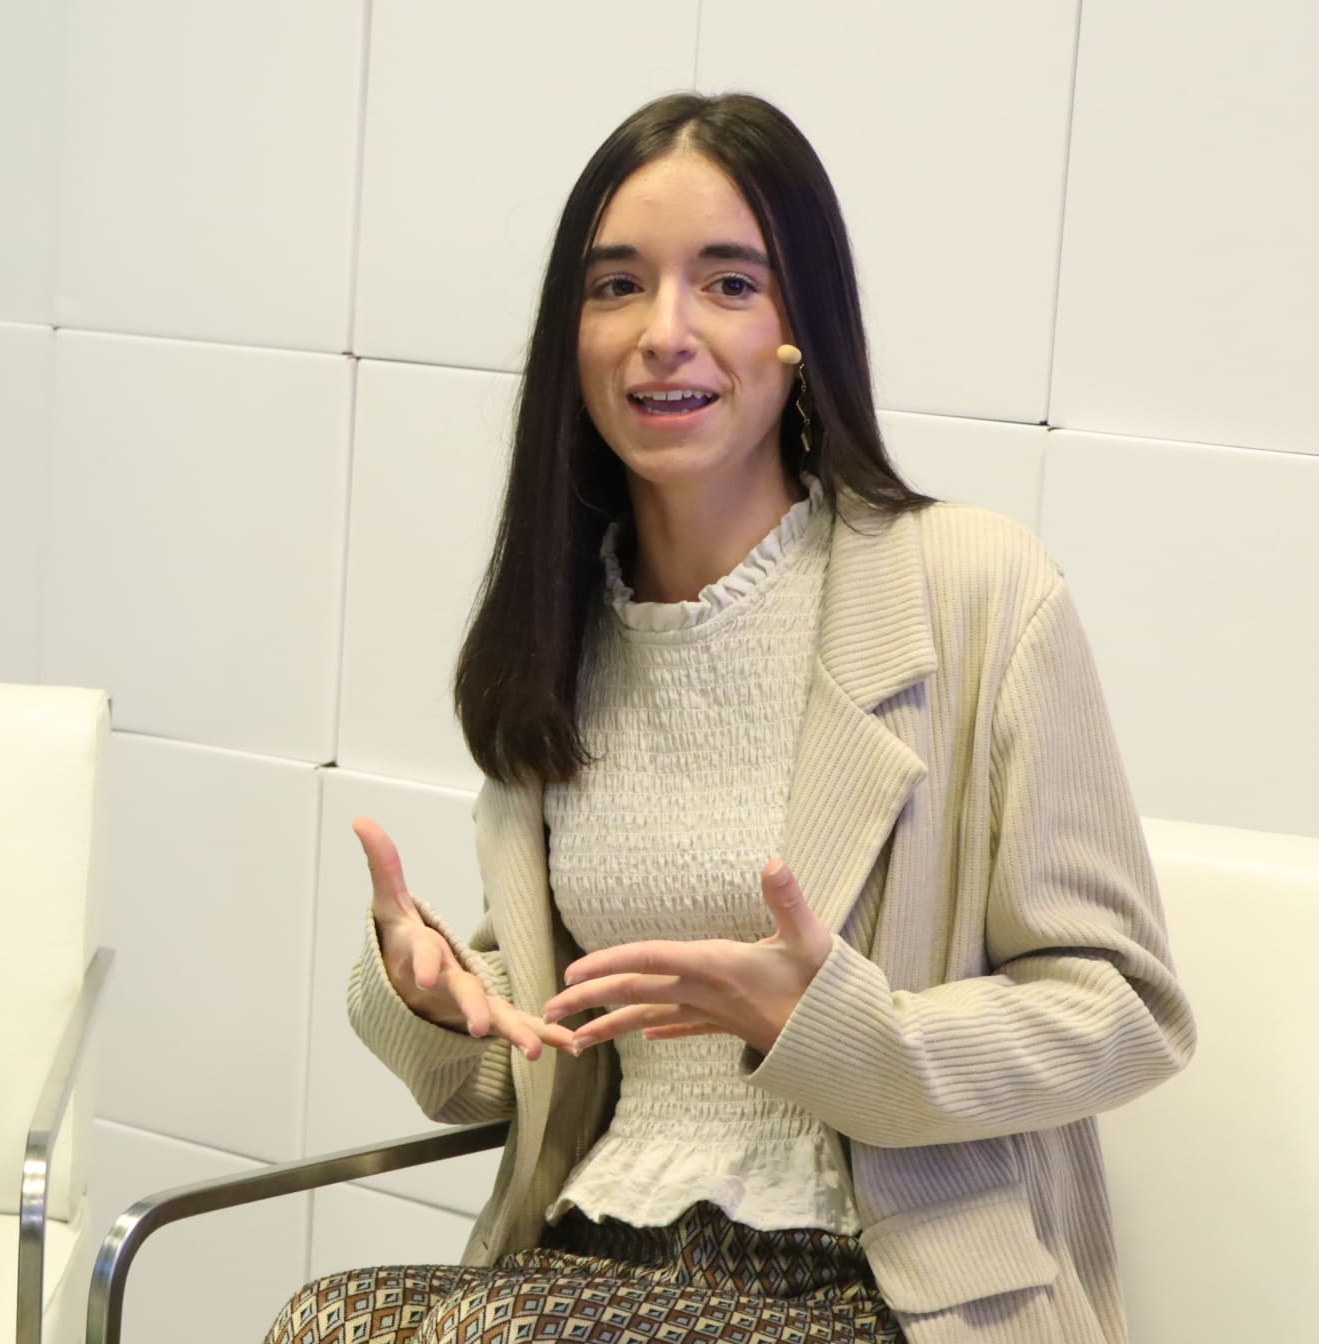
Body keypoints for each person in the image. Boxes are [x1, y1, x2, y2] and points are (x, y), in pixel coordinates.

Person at [267, 93, 1192, 1344]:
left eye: (727, 284)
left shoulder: (978, 590)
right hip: (597, 1257)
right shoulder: (564, 635)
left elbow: (1125, 1012)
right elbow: (543, 1054)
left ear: (800, 328)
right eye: (617, 287)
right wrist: (442, 999)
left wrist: (825, 1022)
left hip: (884, 1279)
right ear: (573, 340)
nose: (665, 334)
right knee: (328, 1320)